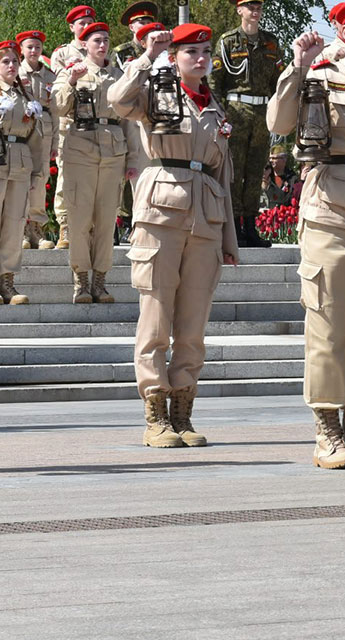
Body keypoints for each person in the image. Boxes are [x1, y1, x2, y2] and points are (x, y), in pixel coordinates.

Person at [268, 0, 345, 470]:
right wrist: (298, 67)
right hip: (331, 209)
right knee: (328, 324)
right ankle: (327, 429)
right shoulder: (321, 73)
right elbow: (279, 122)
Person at [108, 23, 237, 447]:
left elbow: (223, 175)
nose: (200, 59)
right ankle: (155, 412)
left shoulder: (215, 108)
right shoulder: (157, 90)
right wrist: (147, 58)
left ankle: (183, 410)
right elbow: (118, 100)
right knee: (156, 318)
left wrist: (229, 240)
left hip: (206, 218)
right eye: (190, 52)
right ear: (175, 58)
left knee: (193, 324)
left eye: (205, 52)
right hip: (161, 213)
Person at [52, 21, 127, 305]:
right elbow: (58, 106)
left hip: (113, 149)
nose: (103, 45)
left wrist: (133, 159)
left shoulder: (119, 75)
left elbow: (129, 119)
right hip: (81, 149)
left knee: (106, 220)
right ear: (84, 44)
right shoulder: (72, 71)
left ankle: (100, 280)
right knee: (80, 219)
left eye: (106, 40)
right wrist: (72, 81)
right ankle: (81, 279)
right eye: (97, 40)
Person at [0, 40, 47, 306]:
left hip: (20, 165)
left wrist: (37, 173)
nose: (12, 66)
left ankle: (8, 281)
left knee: (15, 225)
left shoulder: (26, 97)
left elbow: (36, 139)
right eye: (6, 61)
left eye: (15, 61)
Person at [211, 0, 284, 249]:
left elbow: (279, 82)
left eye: (259, 6)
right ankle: (233, 228)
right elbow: (215, 82)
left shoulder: (270, 42)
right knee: (234, 171)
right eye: (250, 6)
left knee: (256, 171)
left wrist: (279, 114)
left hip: (262, 114)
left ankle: (251, 228)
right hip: (235, 113)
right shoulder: (228, 41)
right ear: (239, 10)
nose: (255, 10)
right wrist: (219, 115)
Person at [47, 5, 97, 249]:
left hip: (94, 124)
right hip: (69, 122)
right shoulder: (63, 53)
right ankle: (65, 225)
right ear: (72, 27)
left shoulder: (98, 49)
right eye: (81, 23)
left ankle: (91, 227)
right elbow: (60, 85)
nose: (86, 27)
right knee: (66, 176)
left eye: (89, 23)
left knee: (94, 178)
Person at [14, 29, 55, 249]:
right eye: (29, 47)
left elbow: (56, 111)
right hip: (21, 129)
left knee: (39, 178)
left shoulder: (50, 76)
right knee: (20, 176)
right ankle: (20, 228)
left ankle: (36, 228)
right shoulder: (14, 72)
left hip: (43, 130)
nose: (34, 51)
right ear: (21, 49)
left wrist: (56, 142)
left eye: (37, 47)